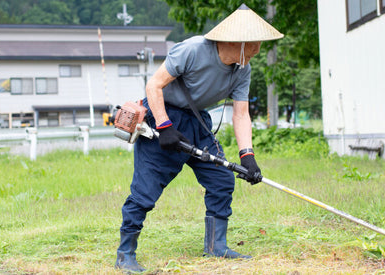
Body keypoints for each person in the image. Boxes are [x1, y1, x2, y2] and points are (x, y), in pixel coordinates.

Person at [115, 4, 283, 273]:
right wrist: (165, 125)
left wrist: (247, 155)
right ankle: (125, 253)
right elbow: (154, 85)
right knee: (146, 191)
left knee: (222, 179)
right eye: (253, 45)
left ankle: (216, 246)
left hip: (198, 123)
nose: (257, 51)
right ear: (234, 41)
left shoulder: (243, 69)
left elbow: (241, 114)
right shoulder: (192, 50)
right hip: (163, 119)